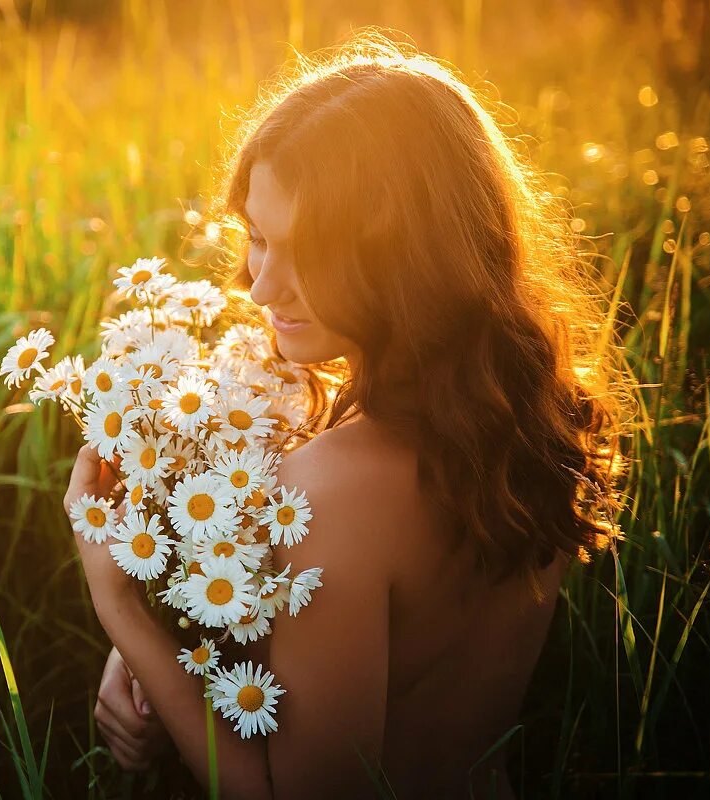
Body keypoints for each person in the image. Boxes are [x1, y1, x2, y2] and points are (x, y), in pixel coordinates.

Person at [67, 30, 628, 799]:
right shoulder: (528, 419)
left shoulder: (334, 489)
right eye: (258, 239)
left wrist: (121, 609)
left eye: (309, 253)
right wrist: (154, 658)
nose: (261, 288)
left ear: (402, 258)